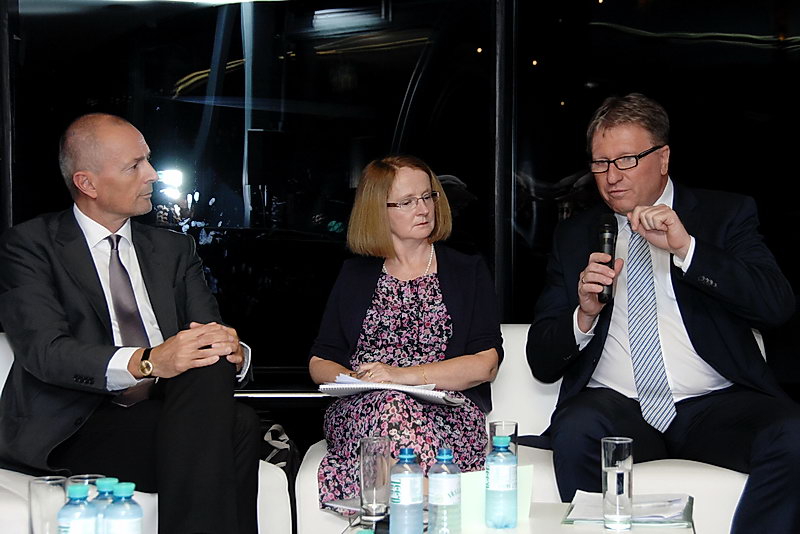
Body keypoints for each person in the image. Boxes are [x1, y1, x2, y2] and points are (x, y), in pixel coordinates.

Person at [526, 93, 800, 532]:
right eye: (601, 163)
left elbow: (775, 306)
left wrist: (688, 249)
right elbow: (541, 360)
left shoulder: (723, 215)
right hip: (618, 408)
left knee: (793, 434)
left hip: (714, 404)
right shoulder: (575, 235)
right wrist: (584, 314)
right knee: (576, 428)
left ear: (663, 158)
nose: (612, 176)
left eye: (626, 160)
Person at [0, 113, 261, 534]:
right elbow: (46, 353)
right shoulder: (30, 246)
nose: (152, 174)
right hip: (78, 426)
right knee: (238, 426)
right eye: (134, 165)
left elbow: (206, 333)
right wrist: (149, 361)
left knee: (212, 366)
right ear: (87, 183)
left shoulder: (174, 249)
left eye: (148, 160)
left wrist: (233, 351)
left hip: (167, 411)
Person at [308, 155, 503, 504]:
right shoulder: (354, 275)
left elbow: (485, 364)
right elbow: (320, 361)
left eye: (428, 197)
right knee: (389, 406)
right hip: (364, 411)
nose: (423, 209)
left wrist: (399, 377)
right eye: (408, 201)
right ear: (377, 210)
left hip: (447, 414)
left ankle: (398, 512)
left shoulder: (467, 270)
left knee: (393, 407)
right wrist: (360, 381)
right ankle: (432, 507)